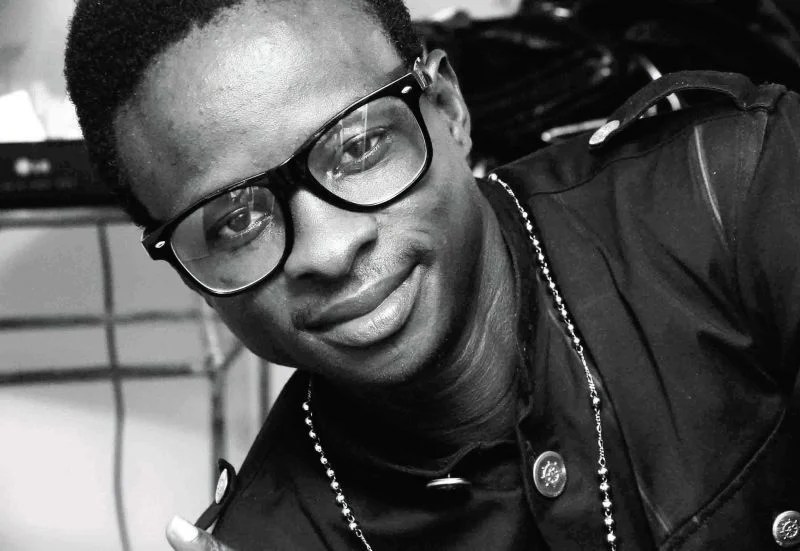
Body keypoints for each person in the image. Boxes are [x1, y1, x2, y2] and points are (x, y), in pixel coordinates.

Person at [63, 0, 800, 549]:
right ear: (191, 273)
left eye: (357, 147)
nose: (328, 250)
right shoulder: (272, 538)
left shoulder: (735, 193)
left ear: (448, 109)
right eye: (235, 220)